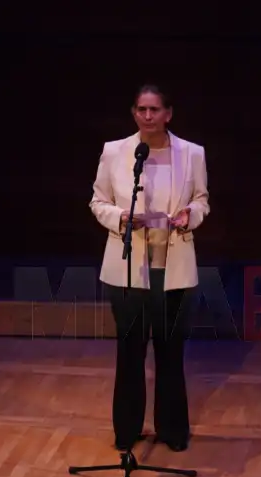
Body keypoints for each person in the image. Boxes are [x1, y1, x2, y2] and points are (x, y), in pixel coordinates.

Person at [88, 84, 210, 453]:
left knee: (170, 352)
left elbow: (202, 200)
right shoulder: (116, 152)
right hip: (128, 268)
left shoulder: (192, 153)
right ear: (133, 112)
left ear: (168, 114)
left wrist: (190, 215)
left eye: (154, 109)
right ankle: (126, 431)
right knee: (130, 353)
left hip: (173, 268)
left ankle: (172, 431)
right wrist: (120, 218)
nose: (147, 116)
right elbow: (98, 201)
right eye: (141, 109)